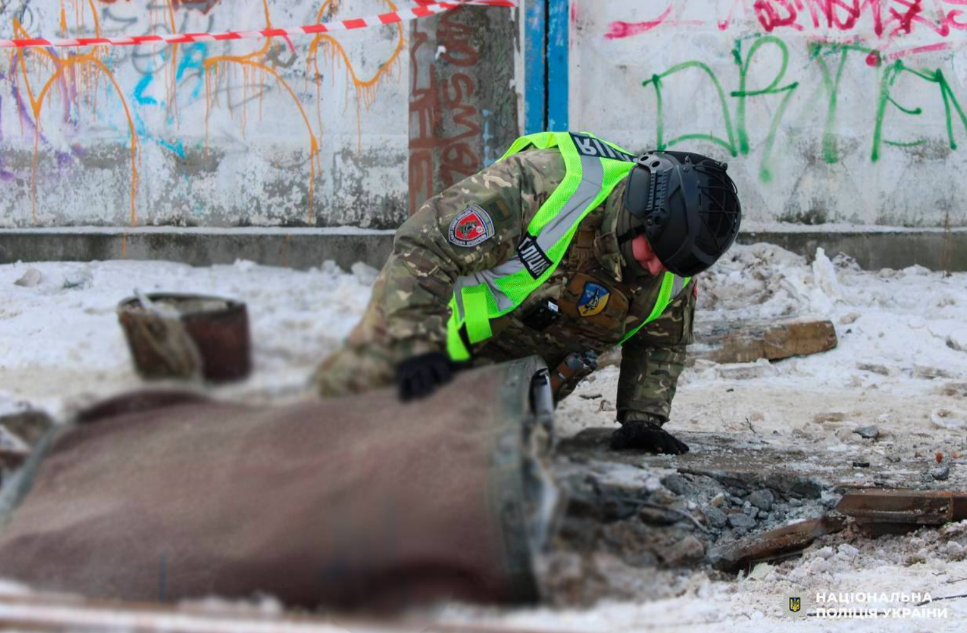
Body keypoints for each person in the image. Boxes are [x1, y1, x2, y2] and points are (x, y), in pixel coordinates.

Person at [313, 131, 741, 454]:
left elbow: (661, 341)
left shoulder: (673, 261)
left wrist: (642, 419)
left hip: (507, 395)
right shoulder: (545, 184)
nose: (658, 270)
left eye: (674, 265)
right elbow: (424, 247)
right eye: (654, 254)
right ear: (641, 212)